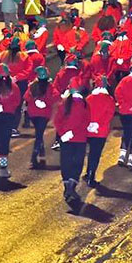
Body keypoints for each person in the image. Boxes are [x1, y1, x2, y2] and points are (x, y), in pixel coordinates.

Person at [54, 78, 90, 206]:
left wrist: (62, 133)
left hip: (66, 139)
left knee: (66, 162)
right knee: (77, 163)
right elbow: (84, 121)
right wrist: (72, 132)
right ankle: (71, 186)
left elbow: (57, 120)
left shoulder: (64, 103)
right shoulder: (84, 104)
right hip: (79, 139)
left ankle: (67, 187)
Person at [84, 75, 116, 187]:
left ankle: (87, 173)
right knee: (95, 154)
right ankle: (91, 176)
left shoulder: (88, 98)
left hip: (88, 130)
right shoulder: (109, 100)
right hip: (100, 131)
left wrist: (90, 124)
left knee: (89, 153)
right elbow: (109, 115)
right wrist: (98, 124)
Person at [23, 66, 57, 169]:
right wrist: (45, 102)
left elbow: (26, 97)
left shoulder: (32, 86)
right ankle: (34, 159)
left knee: (39, 133)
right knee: (39, 135)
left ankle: (41, 156)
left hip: (33, 114)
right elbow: (55, 97)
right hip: (44, 115)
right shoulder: (50, 87)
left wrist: (35, 101)